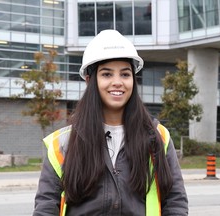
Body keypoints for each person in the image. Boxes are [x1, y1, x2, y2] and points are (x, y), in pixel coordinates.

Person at [33, 29, 188, 216]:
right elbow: (46, 207)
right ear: (90, 80)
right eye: (107, 74)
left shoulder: (157, 137)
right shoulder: (63, 144)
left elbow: (175, 201)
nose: (117, 82)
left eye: (125, 74)